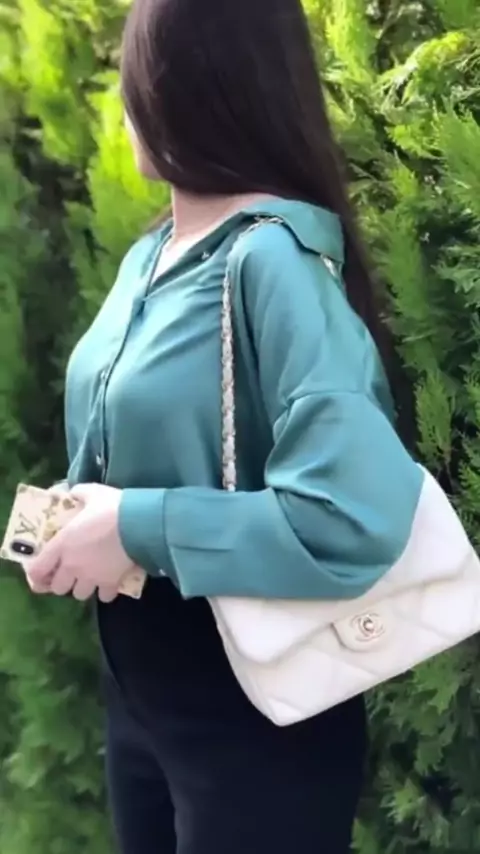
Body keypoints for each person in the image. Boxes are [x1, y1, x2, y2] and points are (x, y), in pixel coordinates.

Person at [25, 0, 424, 851]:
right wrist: (71, 521)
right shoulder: (152, 254)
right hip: (140, 696)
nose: (127, 97)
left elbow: (350, 516)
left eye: (139, 71)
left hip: (254, 717)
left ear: (197, 85)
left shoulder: (274, 260)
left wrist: (133, 526)